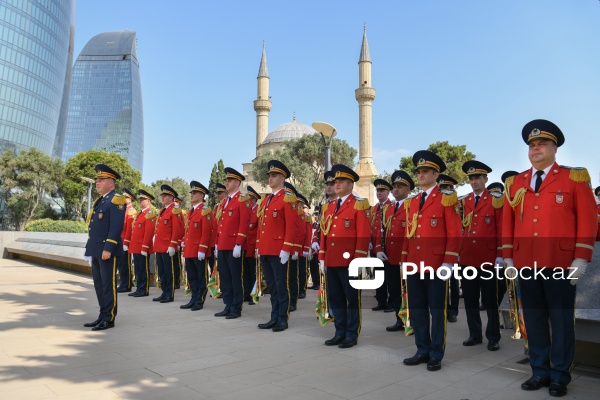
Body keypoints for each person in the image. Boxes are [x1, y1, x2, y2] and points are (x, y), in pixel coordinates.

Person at [503, 119, 597, 397]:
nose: (536, 149)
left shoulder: (574, 178)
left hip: (560, 264)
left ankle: (560, 375)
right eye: (532, 145)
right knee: (534, 320)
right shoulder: (515, 182)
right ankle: (539, 371)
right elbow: (507, 224)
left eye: (542, 144)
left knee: (561, 322)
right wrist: (508, 258)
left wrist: (581, 258)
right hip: (525, 264)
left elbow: (588, 221)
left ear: (555, 149)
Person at [401, 150, 462, 371]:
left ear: (436, 174)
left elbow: (455, 233)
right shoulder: (413, 202)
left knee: (437, 311)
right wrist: (405, 260)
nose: (421, 175)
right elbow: (409, 234)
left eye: (425, 171)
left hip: (437, 265)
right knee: (417, 309)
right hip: (415, 264)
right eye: (419, 171)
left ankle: (436, 352)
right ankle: (422, 349)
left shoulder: (447, 198)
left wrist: (448, 263)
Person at [319, 164, 371, 348]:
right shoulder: (329, 207)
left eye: (341, 181)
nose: (337, 184)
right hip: (332, 260)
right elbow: (324, 234)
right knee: (336, 298)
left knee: (352, 299)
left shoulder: (359, 204)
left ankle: (351, 333)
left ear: (351, 185)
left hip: (351, 262)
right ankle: (339, 331)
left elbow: (363, 235)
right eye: (335, 182)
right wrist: (322, 257)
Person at [459, 160, 503, 351]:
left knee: (490, 300)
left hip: (489, 259)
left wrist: (501, 254)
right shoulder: (464, 201)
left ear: (486, 179)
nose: (474, 181)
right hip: (468, 258)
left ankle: (493, 336)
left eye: (477, 177)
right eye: (471, 178)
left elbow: (502, 229)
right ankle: (475, 334)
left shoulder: (495, 199)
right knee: (470, 299)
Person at [256, 160, 298, 332]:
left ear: (282, 178)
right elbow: (262, 226)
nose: (270, 178)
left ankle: (283, 318)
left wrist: (286, 248)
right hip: (266, 249)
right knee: (272, 287)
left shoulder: (287, 198)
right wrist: (259, 245)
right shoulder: (266, 200)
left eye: (274, 176)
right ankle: (274, 317)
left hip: (279, 250)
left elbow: (292, 225)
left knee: (282, 286)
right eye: (270, 176)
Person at [83, 164, 126, 331]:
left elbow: (116, 227)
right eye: (97, 180)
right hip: (96, 251)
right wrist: (90, 251)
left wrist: (108, 248)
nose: (97, 183)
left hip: (106, 251)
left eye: (101, 180)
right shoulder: (100, 201)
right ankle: (102, 315)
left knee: (108, 285)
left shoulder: (116, 200)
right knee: (99, 285)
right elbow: (94, 228)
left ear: (111, 183)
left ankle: (109, 318)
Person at [376, 170, 414, 332]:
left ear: (408, 189)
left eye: (400, 187)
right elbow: (380, 230)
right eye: (395, 187)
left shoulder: (413, 205)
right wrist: (378, 248)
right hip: (390, 257)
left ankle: (412, 321)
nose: (396, 190)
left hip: (408, 258)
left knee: (410, 292)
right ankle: (399, 320)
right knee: (395, 290)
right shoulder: (388, 208)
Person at [214, 167, 251, 319]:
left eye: (229, 181)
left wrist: (239, 243)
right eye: (226, 180)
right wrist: (217, 243)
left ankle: (236, 307)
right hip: (223, 244)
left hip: (234, 246)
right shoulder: (224, 202)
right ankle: (228, 305)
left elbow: (244, 223)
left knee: (236, 277)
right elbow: (220, 225)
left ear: (237, 182)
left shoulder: (243, 200)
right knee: (225, 277)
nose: (226, 183)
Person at [180, 181, 212, 311]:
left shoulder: (205, 211)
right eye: (192, 193)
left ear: (201, 195)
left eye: (195, 193)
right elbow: (188, 230)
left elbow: (206, 232)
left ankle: (200, 300)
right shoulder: (191, 212)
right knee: (192, 277)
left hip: (198, 250)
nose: (192, 195)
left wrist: (202, 248)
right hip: (189, 249)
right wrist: (183, 241)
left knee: (201, 276)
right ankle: (193, 298)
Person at [153, 185, 184, 303]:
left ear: (171, 197)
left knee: (168, 271)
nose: (162, 197)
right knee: (161, 271)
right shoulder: (162, 210)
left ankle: (169, 294)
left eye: (165, 195)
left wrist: (173, 244)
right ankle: (164, 292)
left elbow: (177, 229)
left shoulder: (175, 210)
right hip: (160, 246)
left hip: (167, 246)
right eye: (162, 195)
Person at [436, 174, 460, 323]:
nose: (445, 190)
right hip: (439, 252)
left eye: (448, 187)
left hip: (455, 249)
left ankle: (453, 310)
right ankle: (443, 308)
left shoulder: (457, 202)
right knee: (440, 284)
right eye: (442, 187)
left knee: (454, 283)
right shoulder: (438, 202)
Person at [126, 189, 156, 298]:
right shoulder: (140, 214)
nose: (140, 201)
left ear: (148, 201)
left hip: (143, 247)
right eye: (140, 199)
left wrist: (145, 247)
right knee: (138, 270)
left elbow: (149, 232)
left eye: (143, 199)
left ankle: (144, 289)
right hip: (136, 246)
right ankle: (139, 288)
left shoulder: (149, 214)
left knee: (144, 269)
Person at [371, 179, 393, 312]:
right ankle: (381, 301)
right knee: (377, 277)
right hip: (375, 248)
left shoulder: (392, 206)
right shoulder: (374, 209)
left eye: (382, 191)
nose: (379, 193)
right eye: (377, 191)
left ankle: (391, 303)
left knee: (390, 277)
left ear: (388, 192)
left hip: (388, 248)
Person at [243, 186, 261, 305]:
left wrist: (257, 248)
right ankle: (246, 293)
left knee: (254, 272)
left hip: (253, 245)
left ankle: (254, 295)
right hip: (244, 245)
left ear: (254, 200)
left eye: (249, 199)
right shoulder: (247, 210)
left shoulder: (258, 211)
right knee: (246, 272)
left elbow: (259, 229)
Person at [297, 193, 312, 299]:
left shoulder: (306, 217)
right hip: (293, 248)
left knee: (302, 270)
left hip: (302, 248)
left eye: (300, 203)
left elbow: (308, 234)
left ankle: (302, 289)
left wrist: (306, 248)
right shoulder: (292, 214)